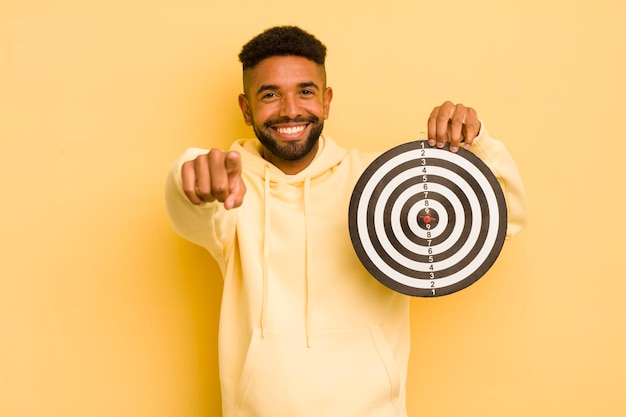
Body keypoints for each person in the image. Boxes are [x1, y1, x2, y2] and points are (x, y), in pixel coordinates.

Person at [165, 25, 527, 417]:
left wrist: (478, 143)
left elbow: (504, 219)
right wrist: (191, 177)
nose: (290, 109)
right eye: (270, 95)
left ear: (327, 100)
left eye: (305, 91)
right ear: (246, 108)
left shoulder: (383, 182)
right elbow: (191, 209)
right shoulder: (234, 190)